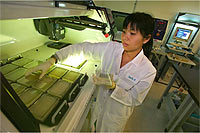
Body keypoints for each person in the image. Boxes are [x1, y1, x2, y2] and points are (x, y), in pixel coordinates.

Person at [26, 12, 156, 132]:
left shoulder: (148, 71)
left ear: (146, 39)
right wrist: (53, 60)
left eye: (132, 34)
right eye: (124, 31)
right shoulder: (111, 49)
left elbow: (134, 99)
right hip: (97, 109)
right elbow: (82, 48)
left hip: (114, 120)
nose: (125, 38)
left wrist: (114, 87)